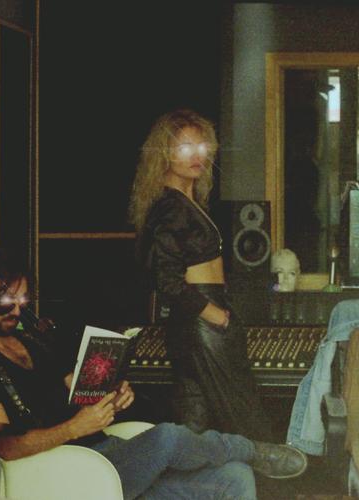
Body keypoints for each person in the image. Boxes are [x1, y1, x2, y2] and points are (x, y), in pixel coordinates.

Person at [0, 247, 308, 500]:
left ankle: (247, 457)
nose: (17, 311)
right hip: (69, 472)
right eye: (6, 303)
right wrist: (74, 428)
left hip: (109, 457)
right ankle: (250, 449)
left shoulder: (35, 342)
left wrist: (111, 396)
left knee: (235, 477)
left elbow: (79, 391)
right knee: (168, 437)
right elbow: (3, 446)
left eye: (22, 300)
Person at [129, 109, 273, 440]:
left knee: (198, 414)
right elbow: (167, 281)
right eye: (184, 147)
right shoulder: (171, 207)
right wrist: (214, 315)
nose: (196, 155)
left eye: (201, 145)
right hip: (201, 316)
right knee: (240, 415)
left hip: (199, 316)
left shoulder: (184, 202)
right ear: (164, 154)